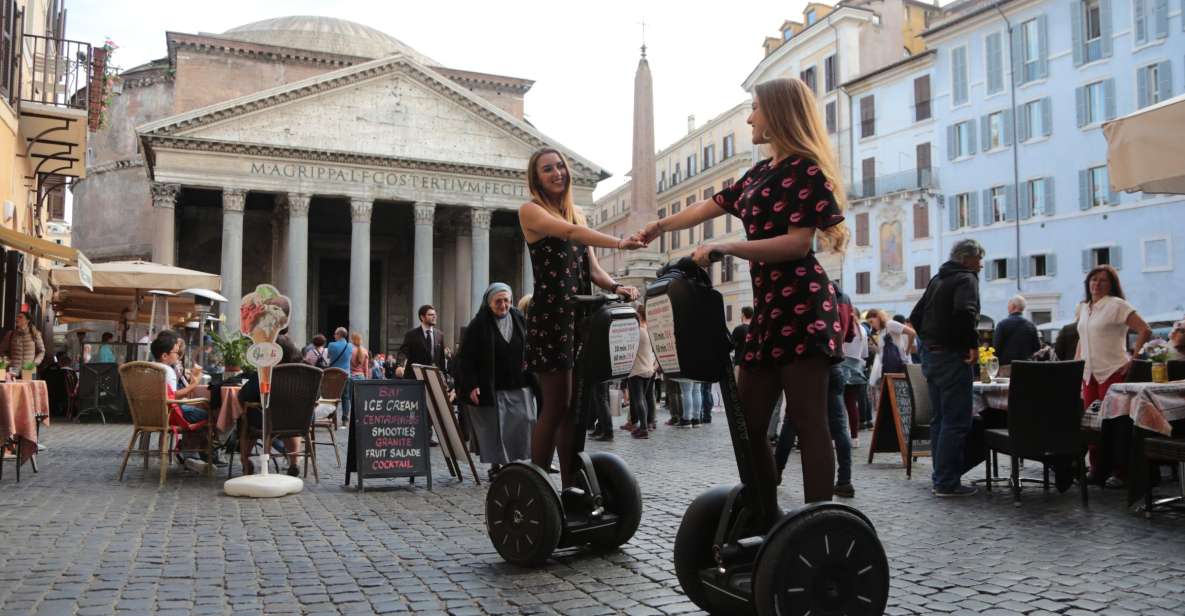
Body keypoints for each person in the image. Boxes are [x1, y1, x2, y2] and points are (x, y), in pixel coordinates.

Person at [634, 77, 848, 520]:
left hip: (804, 304)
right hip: (771, 308)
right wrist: (661, 226)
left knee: (809, 423)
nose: (749, 117)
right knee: (747, 424)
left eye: (754, 108)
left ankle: (819, 526)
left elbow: (796, 245)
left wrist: (727, 247)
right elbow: (708, 206)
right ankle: (768, 518)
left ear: (778, 112)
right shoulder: (759, 174)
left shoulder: (806, 170)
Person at [519, 146, 641, 488]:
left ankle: (571, 483)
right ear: (536, 178)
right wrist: (620, 244)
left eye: (560, 166)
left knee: (574, 408)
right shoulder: (530, 212)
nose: (557, 172)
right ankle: (538, 482)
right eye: (548, 169)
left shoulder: (578, 216)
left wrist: (618, 286)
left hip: (577, 316)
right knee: (556, 405)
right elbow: (569, 235)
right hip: (551, 317)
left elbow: (594, 269)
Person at [909, 239, 984, 497]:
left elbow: (916, 316)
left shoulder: (937, 279)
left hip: (931, 356)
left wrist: (929, 342)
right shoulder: (966, 278)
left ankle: (939, 478)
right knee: (956, 420)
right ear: (966, 259)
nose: (981, 265)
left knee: (940, 419)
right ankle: (947, 482)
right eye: (978, 259)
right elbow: (966, 312)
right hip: (952, 357)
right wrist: (970, 346)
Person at [1076, 265, 1151, 488]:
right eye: (1093, 279)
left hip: (1113, 371)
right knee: (1092, 425)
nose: (1096, 284)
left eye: (1103, 280)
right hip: (1089, 373)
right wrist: (1074, 364)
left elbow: (1144, 329)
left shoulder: (1117, 305)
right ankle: (1096, 469)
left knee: (1117, 425)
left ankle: (1121, 472)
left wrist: (1134, 360)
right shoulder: (1082, 307)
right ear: (1088, 282)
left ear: (1111, 285)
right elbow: (1082, 339)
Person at [457, 283, 537, 479]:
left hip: (518, 383)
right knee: (496, 428)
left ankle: (517, 461)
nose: (503, 305)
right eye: (498, 301)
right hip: (491, 387)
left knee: (523, 421)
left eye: (507, 301)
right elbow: (465, 359)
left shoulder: (518, 317)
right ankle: (496, 465)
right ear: (489, 302)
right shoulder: (478, 325)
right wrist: (471, 385)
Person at [236, 335, 305, 476]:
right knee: (288, 418)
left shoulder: (266, 372)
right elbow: (316, 396)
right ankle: (294, 462)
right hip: (301, 420)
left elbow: (244, 395)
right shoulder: (307, 371)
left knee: (247, 418)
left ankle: (245, 461)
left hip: (268, 421)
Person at [867, 309, 916, 396]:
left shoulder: (890, 324)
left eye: (872, 321)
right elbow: (882, 352)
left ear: (878, 317)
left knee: (898, 394)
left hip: (898, 366)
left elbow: (912, 333)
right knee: (891, 395)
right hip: (887, 368)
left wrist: (907, 351)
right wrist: (874, 348)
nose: (872, 325)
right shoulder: (883, 330)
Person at [625, 304, 657, 438]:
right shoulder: (650, 330)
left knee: (638, 400)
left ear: (638, 315)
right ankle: (644, 426)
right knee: (643, 399)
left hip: (637, 369)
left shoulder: (636, 331)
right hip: (649, 369)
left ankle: (643, 429)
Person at [396, 305, 445, 377]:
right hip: (414, 377)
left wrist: (443, 376)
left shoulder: (439, 335)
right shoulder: (412, 334)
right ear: (422, 317)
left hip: (433, 378)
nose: (434, 317)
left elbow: (441, 358)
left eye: (435, 314)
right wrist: (400, 365)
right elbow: (403, 352)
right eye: (430, 315)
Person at [992, 295, 1041, 366]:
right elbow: (1037, 347)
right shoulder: (1031, 325)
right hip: (1026, 366)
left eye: (1008, 305)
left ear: (1013, 306)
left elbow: (996, 348)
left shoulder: (1002, 324)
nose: (1007, 307)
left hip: (1007, 366)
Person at [324, 327, 355, 424]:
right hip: (346, 374)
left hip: (333, 374)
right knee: (345, 397)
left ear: (339, 335)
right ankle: (345, 418)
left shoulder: (331, 345)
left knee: (332, 397)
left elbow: (329, 356)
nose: (334, 336)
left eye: (335, 334)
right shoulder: (350, 346)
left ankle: (332, 417)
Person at [732, 306, 754, 375]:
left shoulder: (738, 329)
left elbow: (730, 345)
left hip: (740, 364)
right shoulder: (755, 329)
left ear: (743, 315)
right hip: (753, 365)